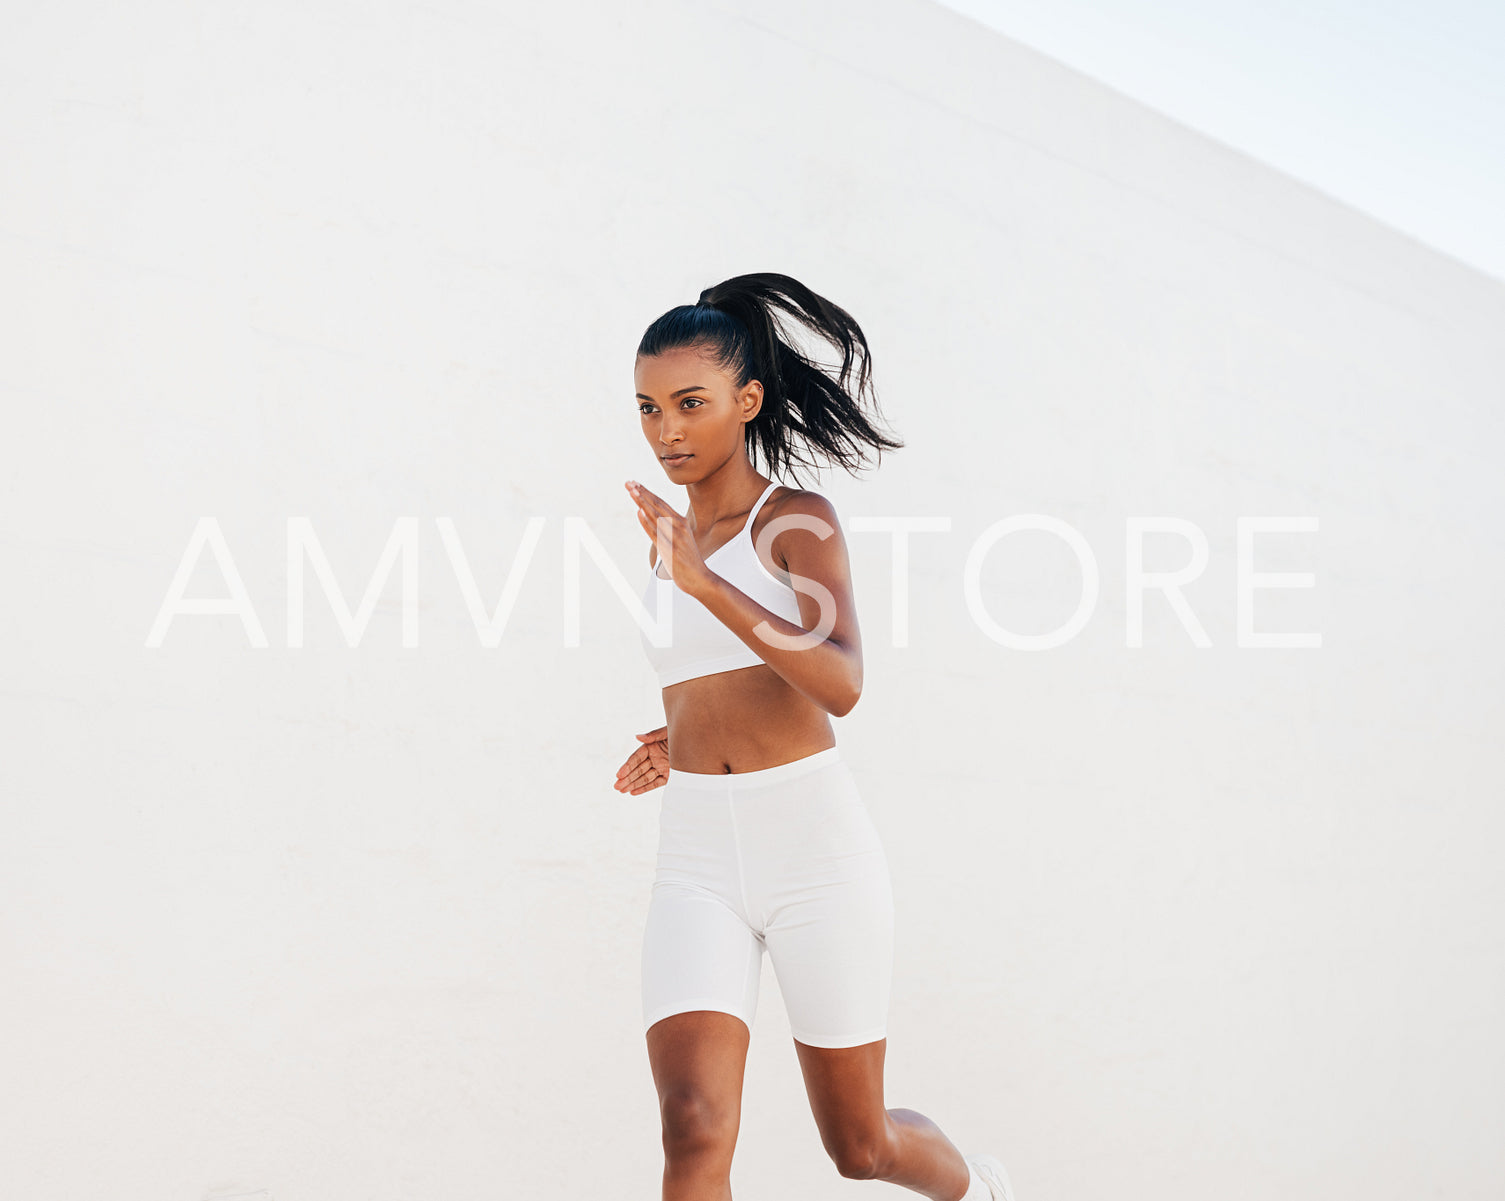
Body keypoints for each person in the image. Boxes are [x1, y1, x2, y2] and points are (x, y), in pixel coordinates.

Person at [613, 273, 1017, 1201]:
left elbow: (839, 679)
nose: (665, 430)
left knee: (859, 1145)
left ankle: (980, 1189)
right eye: (646, 408)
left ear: (745, 402)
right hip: (698, 853)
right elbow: (720, 670)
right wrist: (684, 735)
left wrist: (705, 581)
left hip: (812, 850)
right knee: (693, 1126)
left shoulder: (794, 520)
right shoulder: (672, 535)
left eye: (689, 404)